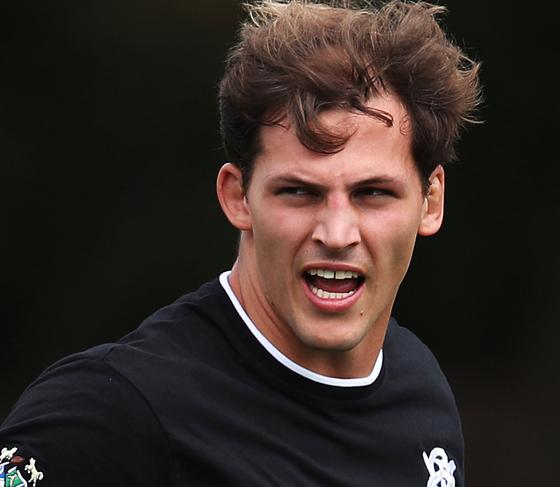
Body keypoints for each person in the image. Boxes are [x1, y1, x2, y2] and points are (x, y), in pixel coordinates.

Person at [0, 1, 480, 485]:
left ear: (429, 201)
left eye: (373, 193)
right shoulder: (116, 411)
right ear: (238, 197)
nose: (336, 234)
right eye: (299, 192)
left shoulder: (419, 390)